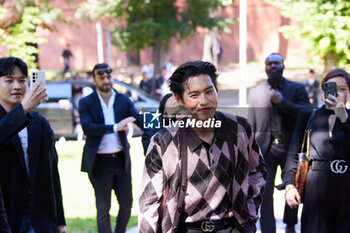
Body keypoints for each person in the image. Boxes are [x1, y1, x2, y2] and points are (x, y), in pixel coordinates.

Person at [139, 60, 267, 233]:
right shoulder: (164, 141)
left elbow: (257, 170)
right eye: (194, 95)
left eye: (209, 91)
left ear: (216, 90)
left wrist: (248, 215)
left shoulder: (239, 129)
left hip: (231, 227)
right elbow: (149, 201)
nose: (204, 101)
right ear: (179, 99)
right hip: (184, 228)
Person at [0, 57, 66, 233]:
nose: (17, 86)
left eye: (22, 80)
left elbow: (53, 174)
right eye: (9, 80)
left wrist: (60, 220)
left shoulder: (39, 123)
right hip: (7, 215)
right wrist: (23, 109)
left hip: (39, 218)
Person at [247, 53, 311, 233]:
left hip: (291, 147)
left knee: (294, 187)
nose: (273, 66)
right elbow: (251, 123)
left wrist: (282, 102)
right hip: (266, 149)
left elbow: (307, 112)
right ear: (265, 67)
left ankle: (290, 225)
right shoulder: (255, 91)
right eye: (269, 64)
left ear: (283, 65)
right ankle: (269, 230)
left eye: (277, 63)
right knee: (265, 193)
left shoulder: (297, 89)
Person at [78, 63, 143, 233]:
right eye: (102, 78)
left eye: (109, 77)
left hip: (121, 160)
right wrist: (115, 127)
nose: (106, 81)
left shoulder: (123, 99)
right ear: (94, 79)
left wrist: (166, 120)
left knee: (127, 204)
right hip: (100, 162)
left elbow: (138, 118)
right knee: (103, 208)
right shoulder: (86, 102)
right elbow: (88, 127)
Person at [283, 68, 350, 233]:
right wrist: (290, 185)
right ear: (323, 89)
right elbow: (293, 153)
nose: (338, 92)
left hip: (346, 189)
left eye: (343, 88)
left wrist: (344, 118)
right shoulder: (308, 115)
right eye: (333, 87)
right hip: (316, 187)